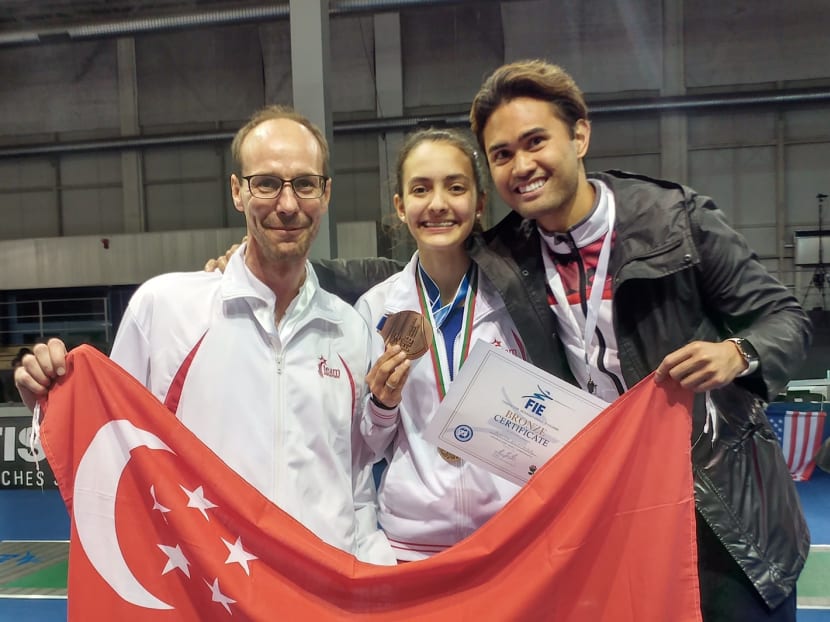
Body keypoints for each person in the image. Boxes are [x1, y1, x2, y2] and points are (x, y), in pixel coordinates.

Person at [462, 60, 809, 621]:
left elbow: (784, 317)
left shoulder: (678, 219)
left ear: (579, 135)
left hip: (719, 508)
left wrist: (736, 354)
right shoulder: (503, 256)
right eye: (502, 154)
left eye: (535, 142)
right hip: (609, 514)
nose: (521, 166)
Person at [14, 105, 394, 565]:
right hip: (209, 591)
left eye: (305, 184)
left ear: (326, 194)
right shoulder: (165, 309)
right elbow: (110, 446)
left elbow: (355, 480)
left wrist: (371, 573)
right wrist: (52, 395)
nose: (288, 204)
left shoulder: (349, 329)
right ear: (237, 191)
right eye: (267, 183)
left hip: (317, 593)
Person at [355, 128, 523, 560]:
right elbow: (367, 448)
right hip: (412, 544)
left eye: (455, 187)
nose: (438, 204)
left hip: (510, 540)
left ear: (480, 201)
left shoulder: (518, 302)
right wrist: (382, 405)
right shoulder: (375, 309)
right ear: (400, 206)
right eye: (420, 189)